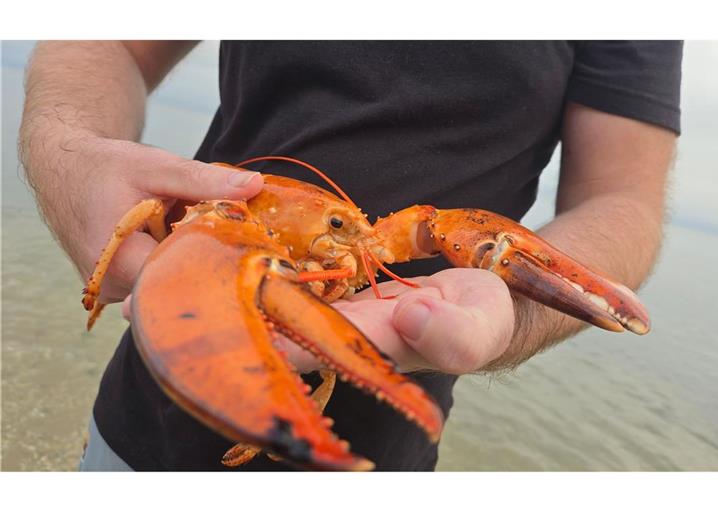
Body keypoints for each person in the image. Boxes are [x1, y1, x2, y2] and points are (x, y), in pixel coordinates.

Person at [19, 41, 681, 471]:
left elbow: (621, 192)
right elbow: (111, 41)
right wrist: (67, 147)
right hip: (143, 415)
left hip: (389, 449)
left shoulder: (362, 238)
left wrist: (516, 314)